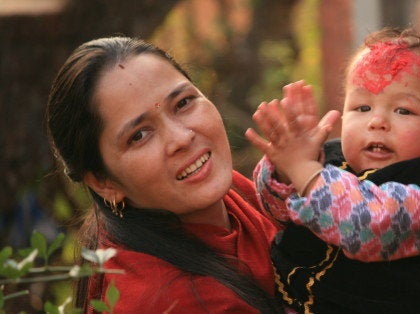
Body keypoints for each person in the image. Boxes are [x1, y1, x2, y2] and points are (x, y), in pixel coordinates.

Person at [245, 28, 420, 313]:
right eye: (362, 106)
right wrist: (285, 170)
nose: (377, 121)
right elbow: (277, 211)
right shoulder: (329, 162)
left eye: (403, 110)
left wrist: (304, 170)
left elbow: (365, 227)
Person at [46, 37, 283, 313]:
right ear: (103, 182)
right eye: (139, 135)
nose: (181, 138)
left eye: (183, 103)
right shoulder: (173, 300)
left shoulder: (230, 194)